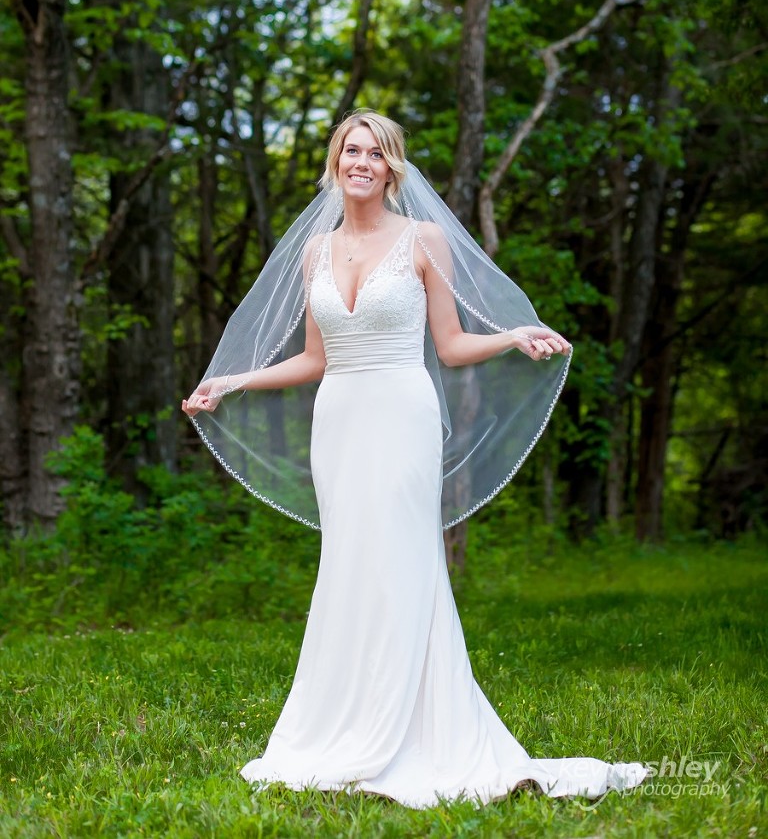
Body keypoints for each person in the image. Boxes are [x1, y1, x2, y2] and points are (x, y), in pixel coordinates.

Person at [183, 110, 647, 807]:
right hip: (338, 420)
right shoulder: (316, 250)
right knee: (349, 564)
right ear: (335, 163)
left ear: (393, 167)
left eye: (374, 152)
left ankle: (419, 730)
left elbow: (452, 344)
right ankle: (344, 724)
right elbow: (313, 357)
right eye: (350, 150)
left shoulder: (423, 239)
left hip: (402, 413)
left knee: (404, 560)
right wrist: (231, 382)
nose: (360, 162)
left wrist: (512, 335)